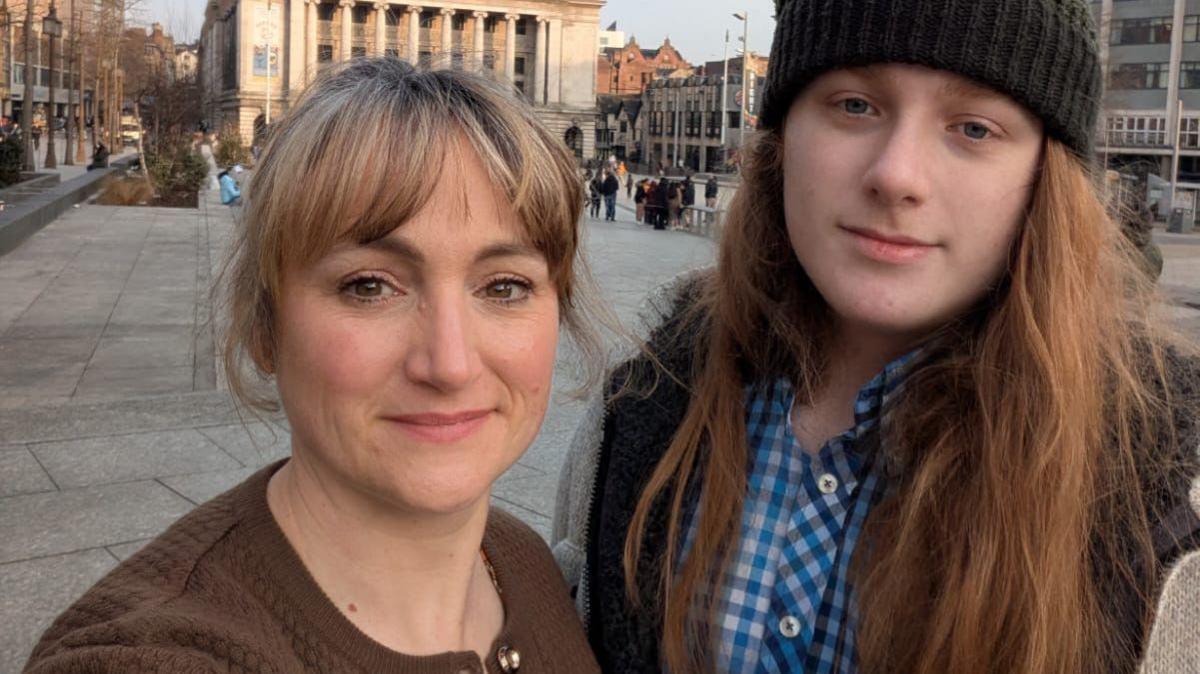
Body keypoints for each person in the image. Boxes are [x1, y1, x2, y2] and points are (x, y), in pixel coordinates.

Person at [552, 1, 1200, 673]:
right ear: (783, 136)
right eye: (855, 106)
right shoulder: (643, 401)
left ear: (1043, 174)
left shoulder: (1161, 494)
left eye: (974, 128)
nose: (896, 175)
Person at [26, 58, 601, 674]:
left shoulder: (523, 563)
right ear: (264, 328)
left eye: (505, 287)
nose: (451, 365)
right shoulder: (149, 655)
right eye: (370, 287)